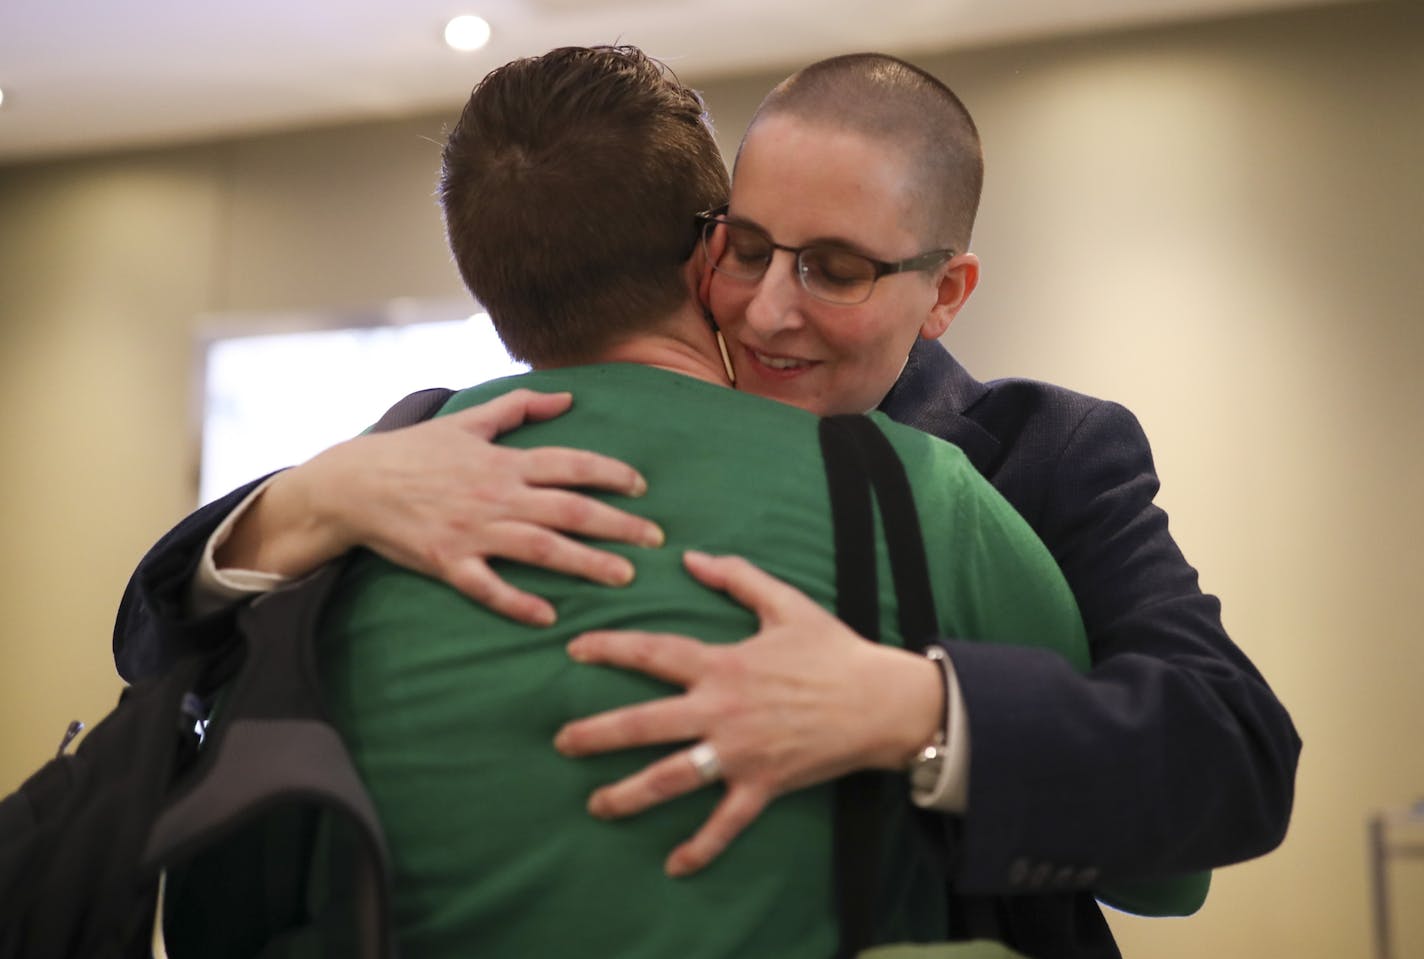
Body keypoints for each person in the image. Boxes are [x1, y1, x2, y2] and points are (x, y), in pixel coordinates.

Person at [116, 52, 1301, 959]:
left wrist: (912, 707)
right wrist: (297, 504)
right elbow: (162, 639)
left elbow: (1226, 764)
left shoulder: (1036, 457)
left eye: (832, 269)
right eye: (745, 246)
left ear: (943, 294)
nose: (768, 309)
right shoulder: (432, 437)